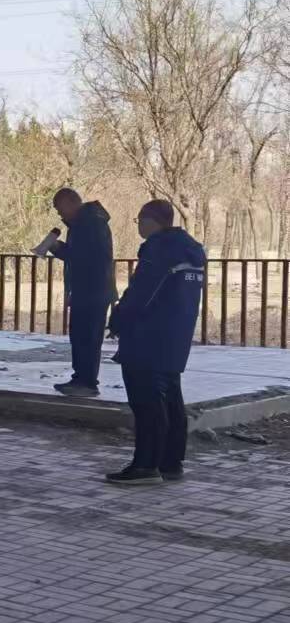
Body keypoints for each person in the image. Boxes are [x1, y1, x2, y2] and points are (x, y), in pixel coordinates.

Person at [105, 199, 205, 486]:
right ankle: (171, 462)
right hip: (175, 337)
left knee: (146, 402)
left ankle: (146, 465)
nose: (138, 225)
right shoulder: (191, 251)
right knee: (171, 398)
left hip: (147, 337)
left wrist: (119, 319)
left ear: (152, 220)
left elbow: (143, 293)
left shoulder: (160, 250)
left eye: (139, 220)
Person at [34, 187, 114, 398]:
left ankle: (86, 382)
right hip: (90, 289)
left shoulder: (89, 224)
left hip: (92, 289)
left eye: (60, 208)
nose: (60, 214)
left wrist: (56, 247)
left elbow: (84, 257)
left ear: (71, 202)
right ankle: (81, 378)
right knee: (81, 337)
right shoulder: (86, 222)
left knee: (86, 337)